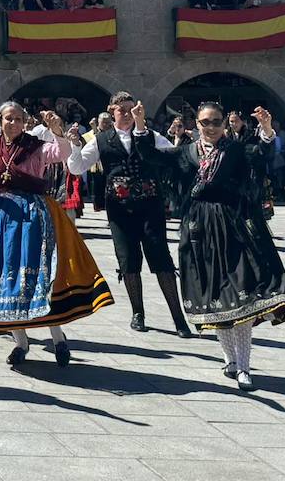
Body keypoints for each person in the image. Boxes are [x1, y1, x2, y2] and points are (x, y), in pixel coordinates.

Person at [138, 102, 285, 392]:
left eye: (216, 122)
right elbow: (151, 157)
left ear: (224, 123)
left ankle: (245, 367)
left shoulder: (235, 150)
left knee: (241, 296)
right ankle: (229, 359)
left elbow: (261, 156)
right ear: (195, 124)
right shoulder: (186, 152)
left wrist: (267, 129)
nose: (210, 127)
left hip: (231, 227)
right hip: (198, 231)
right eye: (205, 122)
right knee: (214, 295)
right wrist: (139, 125)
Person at [0, 103, 111, 366]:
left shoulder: (35, 146)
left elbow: (59, 153)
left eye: (17, 119)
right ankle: (21, 342)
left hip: (30, 219)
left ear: (24, 122)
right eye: (7, 119)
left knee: (36, 278)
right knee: (4, 279)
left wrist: (57, 130)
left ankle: (58, 337)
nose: (12, 123)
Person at [68, 91, 193, 338]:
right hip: (119, 209)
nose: (126, 114)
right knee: (128, 260)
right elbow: (77, 167)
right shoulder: (101, 139)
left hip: (150, 207)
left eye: (130, 109)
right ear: (111, 110)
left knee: (161, 260)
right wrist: (73, 144)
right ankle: (138, 313)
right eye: (121, 109)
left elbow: (174, 158)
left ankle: (178, 318)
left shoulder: (151, 136)